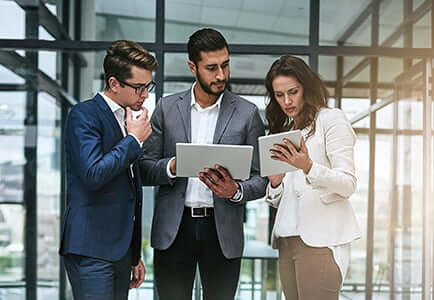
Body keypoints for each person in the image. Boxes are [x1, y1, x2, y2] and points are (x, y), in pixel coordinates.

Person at [139, 28, 267, 300]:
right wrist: (172, 167)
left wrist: (235, 191)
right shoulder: (167, 108)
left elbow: (261, 178)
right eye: (211, 68)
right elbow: (144, 168)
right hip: (175, 228)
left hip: (221, 232)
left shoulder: (247, 113)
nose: (221, 75)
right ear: (192, 67)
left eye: (225, 65)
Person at [59, 40, 158, 300]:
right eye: (139, 87)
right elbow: (93, 174)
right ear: (114, 84)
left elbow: (129, 189)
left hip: (120, 252)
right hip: (91, 249)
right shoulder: (84, 115)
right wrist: (134, 141)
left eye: (148, 86)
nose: (145, 94)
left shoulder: (127, 120)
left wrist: (134, 254)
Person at [264, 55, 360, 300]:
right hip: (287, 242)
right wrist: (275, 183)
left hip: (320, 242)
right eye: (278, 95)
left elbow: (347, 184)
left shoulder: (331, 119)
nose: (286, 101)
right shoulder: (286, 131)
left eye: (292, 92)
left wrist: (308, 167)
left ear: (307, 87)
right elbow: (282, 198)